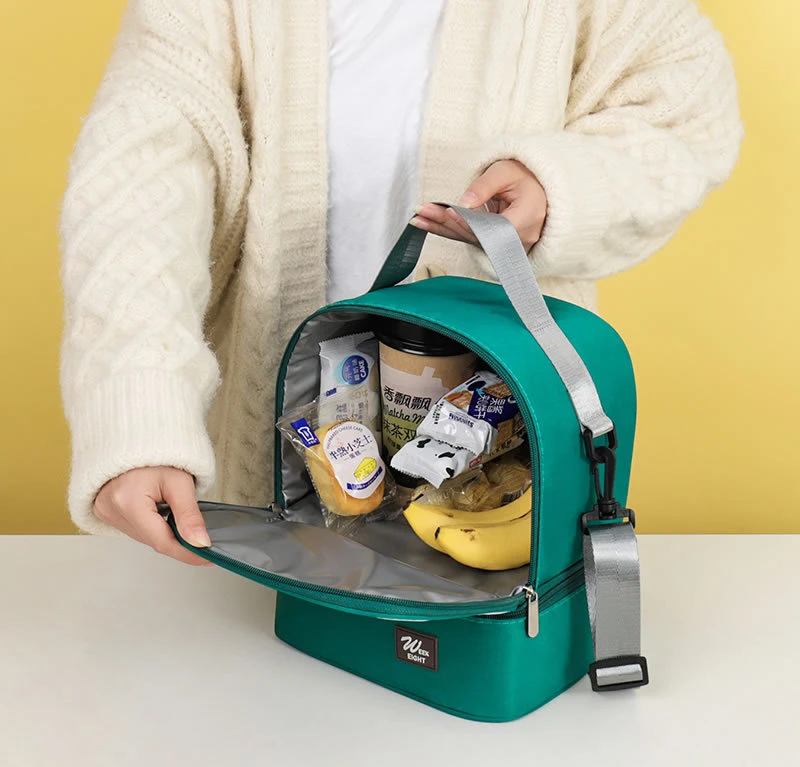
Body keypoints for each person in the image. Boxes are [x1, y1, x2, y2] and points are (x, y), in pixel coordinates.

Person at [59, 0, 742, 565]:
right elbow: (139, 179)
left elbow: (684, 109)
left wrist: (557, 184)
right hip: (280, 470)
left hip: (505, 459)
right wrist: (137, 404)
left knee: (486, 663)